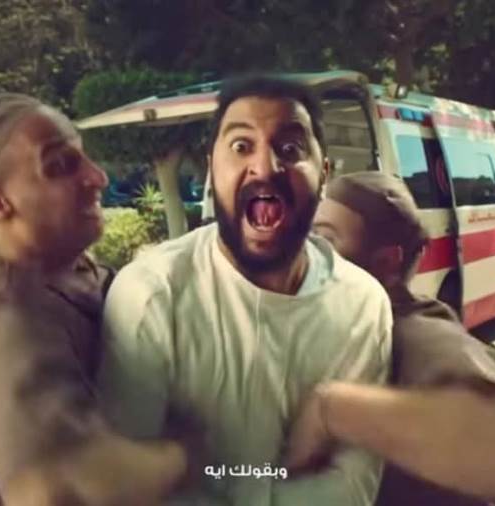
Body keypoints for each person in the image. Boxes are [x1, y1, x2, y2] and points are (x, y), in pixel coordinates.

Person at [97, 76, 393, 505]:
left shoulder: (362, 304)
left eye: (290, 149)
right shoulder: (151, 292)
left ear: (324, 175)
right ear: (212, 169)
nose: (265, 167)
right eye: (241, 146)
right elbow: (126, 486)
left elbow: (353, 485)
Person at [0, 93, 189, 506]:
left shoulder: (55, 259)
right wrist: (192, 452)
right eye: (61, 165)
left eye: (83, 157)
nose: (98, 177)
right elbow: (59, 491)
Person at [283, 171, 495, 504]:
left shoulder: (416, 333)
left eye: (326, 238)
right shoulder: (335, 321)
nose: (305, 250)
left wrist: (333, 409)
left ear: (386, 262)